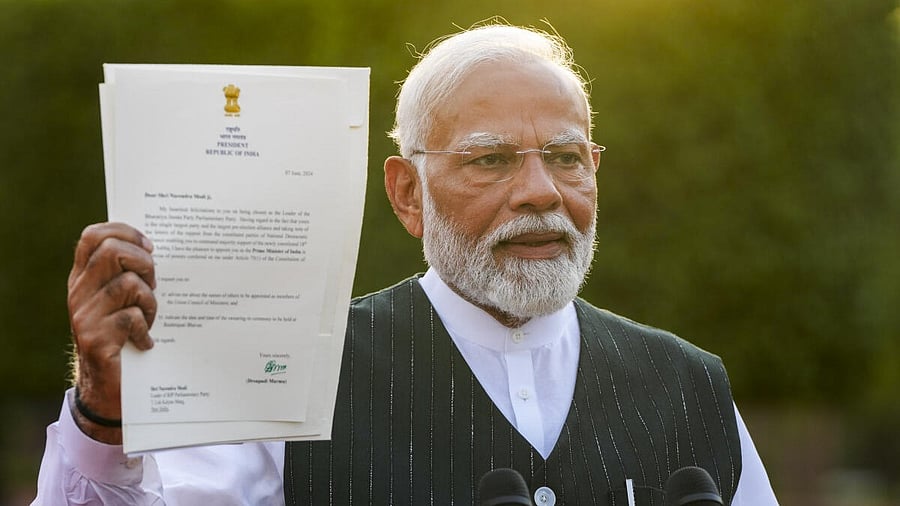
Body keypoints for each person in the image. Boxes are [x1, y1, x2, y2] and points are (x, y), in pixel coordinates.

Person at [32, 23, 778, 505]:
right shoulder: (297, 375)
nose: (541, 192)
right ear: (406, 192)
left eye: (565, 156)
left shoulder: (690, 386)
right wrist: (103, 413)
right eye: (491, 159)